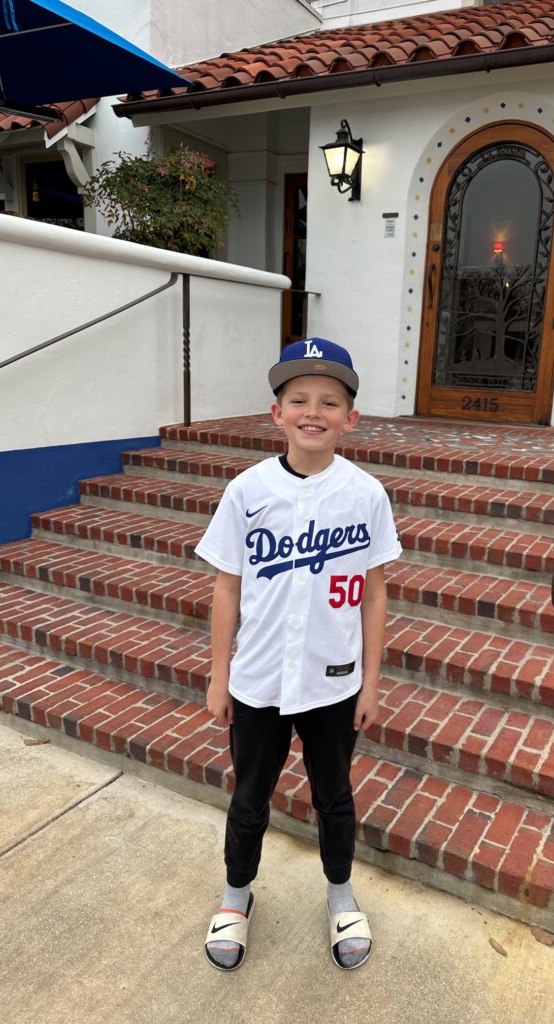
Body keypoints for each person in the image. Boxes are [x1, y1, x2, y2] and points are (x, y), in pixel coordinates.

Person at [195, 338, 402, 972]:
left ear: (351, 418)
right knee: (249, 796)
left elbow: (373, 592)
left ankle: (341, 896)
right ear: (276, 412)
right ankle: (235, 897)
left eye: (330, 402)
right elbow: (226, 585)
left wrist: (371, 683)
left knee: (334, 795)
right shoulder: (247, 490)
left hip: (333, 683)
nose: (314, 411)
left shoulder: (365, 494)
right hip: (256, 679)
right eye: (299, 400)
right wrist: (218, 675)